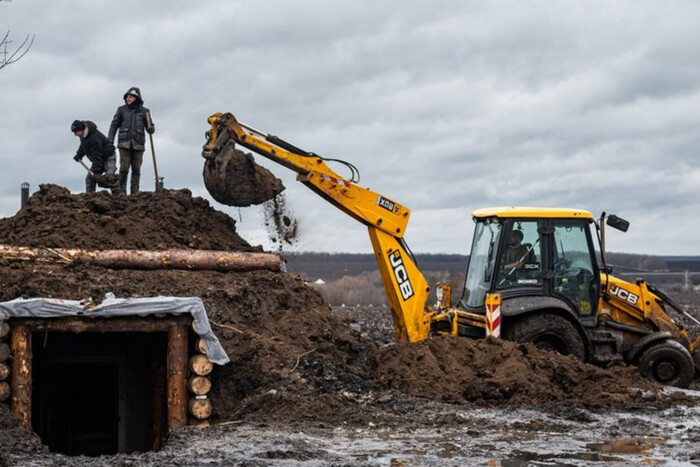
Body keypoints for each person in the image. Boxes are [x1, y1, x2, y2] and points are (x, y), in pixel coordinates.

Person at [108, 86, 154, 195]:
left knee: (136, 169)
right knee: (124, 168)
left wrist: (151, 128)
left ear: (137, 98)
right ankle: (122, 190)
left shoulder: (145, 111)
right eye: (127, 97)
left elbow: (150, 127)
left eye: (131, 97)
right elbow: (114, 126)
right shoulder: (121, 110)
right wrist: (110, 141)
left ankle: (135, 192)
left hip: (138, 144)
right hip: (124, 143)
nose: (128, 99)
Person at [71, 120, 120, 194]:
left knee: (109, 178)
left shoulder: (94, 138)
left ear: (81, 129)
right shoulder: (83, 136)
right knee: (89, 179)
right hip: (98, 159)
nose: (75, 134)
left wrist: (96, 172)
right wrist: (79, 155)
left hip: (108, 157)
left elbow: (97, 156)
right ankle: (90, 196)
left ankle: (119, 196)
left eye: (76, 132)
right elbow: (83, 146)